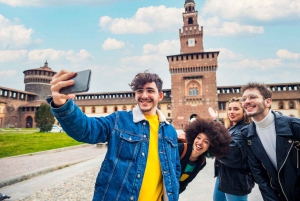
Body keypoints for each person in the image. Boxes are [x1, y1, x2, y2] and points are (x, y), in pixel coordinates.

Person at [46, 70, 180, 201]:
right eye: (139, 91)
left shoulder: (170, 131)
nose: (144, 95)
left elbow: (175, 169)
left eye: (150, 90)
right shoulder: (118, 120)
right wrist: (62, 105)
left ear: (160, 96)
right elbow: (87, 129)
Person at [240, 82, 300, 201]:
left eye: (252, 97)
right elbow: (259, 175)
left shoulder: (294, 126)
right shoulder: (246, 135)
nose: (246, 101)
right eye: (244, 99)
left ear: (268, 102)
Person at [209, 98, 255, 201]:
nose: (231, 112)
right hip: (223, 175)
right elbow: (222, 137)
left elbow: (231, 152)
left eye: (236, 109)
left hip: (236, 180)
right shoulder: (232, 128)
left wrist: (210, 147)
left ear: (244, 111)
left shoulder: (244, 129)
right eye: (229, 109)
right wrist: (215, 120)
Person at [178, 117, 231, 193]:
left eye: (206, 142)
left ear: (210, 147)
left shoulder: (202, 162)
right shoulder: (180, 149)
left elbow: (184, 183)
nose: (200, 142)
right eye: (198, 138)